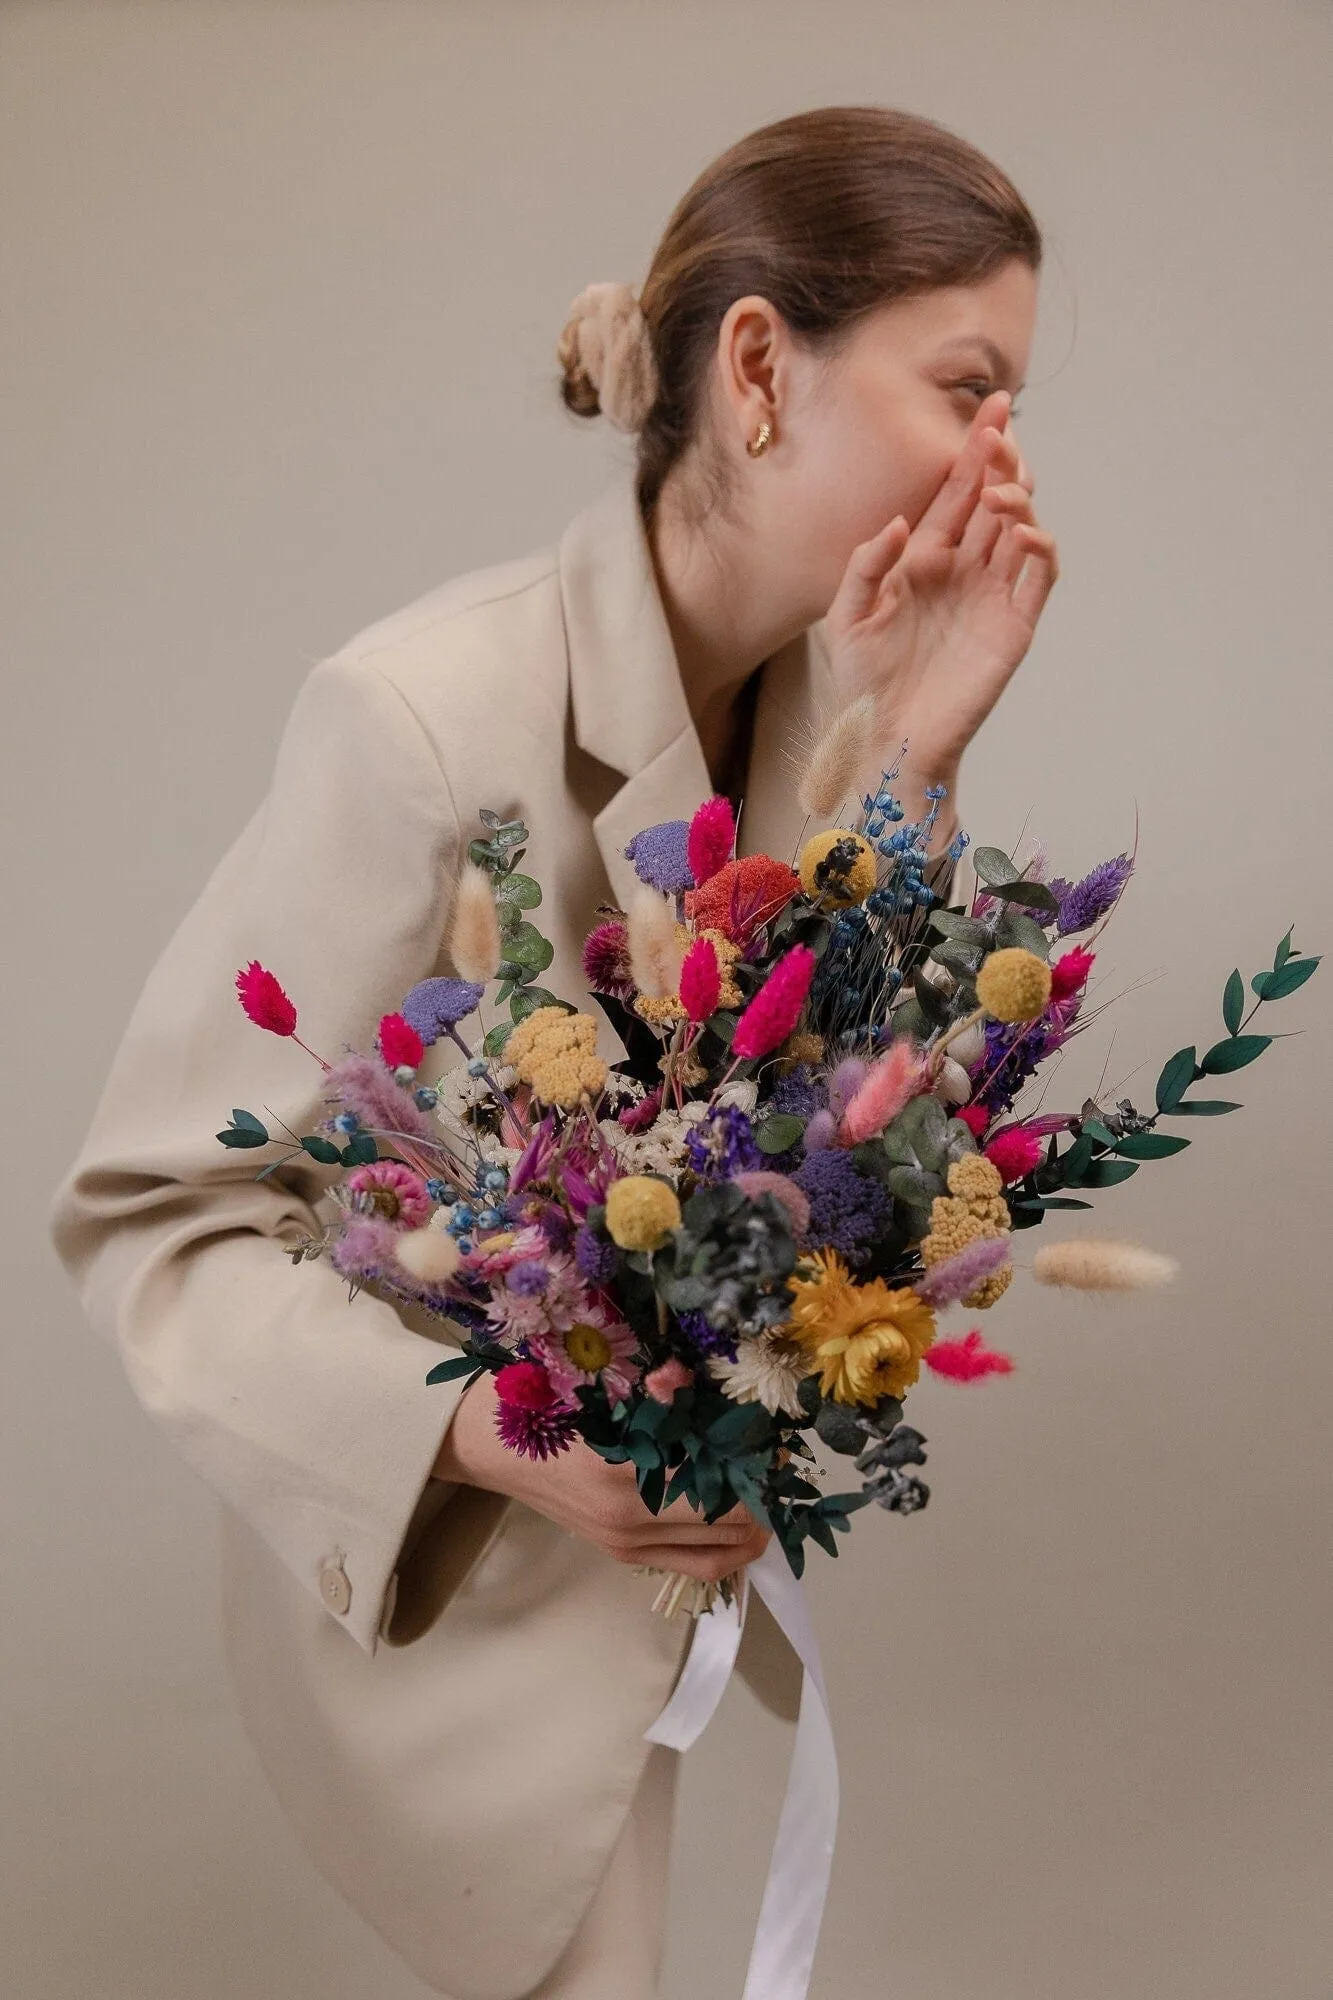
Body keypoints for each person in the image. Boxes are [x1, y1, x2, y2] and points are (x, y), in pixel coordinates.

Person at [47, 104, 1056, 2000]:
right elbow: (148, 1218)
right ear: (760, 368)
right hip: (473, 1610)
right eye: (969, 386)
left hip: (671, 1572)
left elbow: (835, 1130)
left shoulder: (827, 699)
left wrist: (914, 761)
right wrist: (497, 1448)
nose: (1008, 458)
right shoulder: (418, 719)